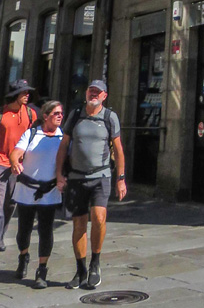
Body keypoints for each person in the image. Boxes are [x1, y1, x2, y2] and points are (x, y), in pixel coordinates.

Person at [55, 80, 126, 290]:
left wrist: (120, 179)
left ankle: (96, 263)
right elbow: (63, 146)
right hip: (77, 177)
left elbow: (119, 150)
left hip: (101, 176)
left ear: (104, 96)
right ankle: (80, 270)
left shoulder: (109, 117)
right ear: (86, 93)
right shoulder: (76, 115)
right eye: (91, 91)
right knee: (78, 224)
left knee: (98, 218)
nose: (93, 95)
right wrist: (59, 174)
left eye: (98, 92)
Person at [10, 101, 64, 288]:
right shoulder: (32, 133)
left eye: (61, 113)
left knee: (45, 230)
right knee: (23, 230)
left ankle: (42, 269)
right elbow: (15, 152)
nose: (60, 116)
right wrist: (15, 162)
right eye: (56, 113)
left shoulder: (62, 137)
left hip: (49, 191)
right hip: (26, 190)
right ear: (46, 115)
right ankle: (23, 256)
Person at [0, 79, 38, 252]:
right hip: (1, 163)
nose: (27, 95)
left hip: (20, 166)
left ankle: (1, 235)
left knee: (10, 205)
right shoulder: (2, 114)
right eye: (24, 92)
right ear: (16, 95)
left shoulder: (31, 114)